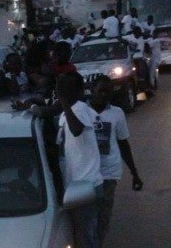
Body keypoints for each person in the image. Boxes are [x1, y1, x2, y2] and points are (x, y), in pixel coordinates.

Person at [89, 75, 143, 246]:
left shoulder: (117, 113)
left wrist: (134, 173)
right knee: (87, 217)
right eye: (100, 91)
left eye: (108, 91)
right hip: (86, 174)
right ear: (92, 91)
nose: (104, 95)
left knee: (103, 217)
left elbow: (123, 144)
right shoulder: (81, 112)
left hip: (108, 174)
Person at [57, 71, 103, 248]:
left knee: (85, 238)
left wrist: (64, 102)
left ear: (76, 91)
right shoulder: (67, 111)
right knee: (79, 236)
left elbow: (77, 129)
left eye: (64, 87)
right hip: (75, 187)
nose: (60, 90)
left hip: (85, 187)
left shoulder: (80, 109)